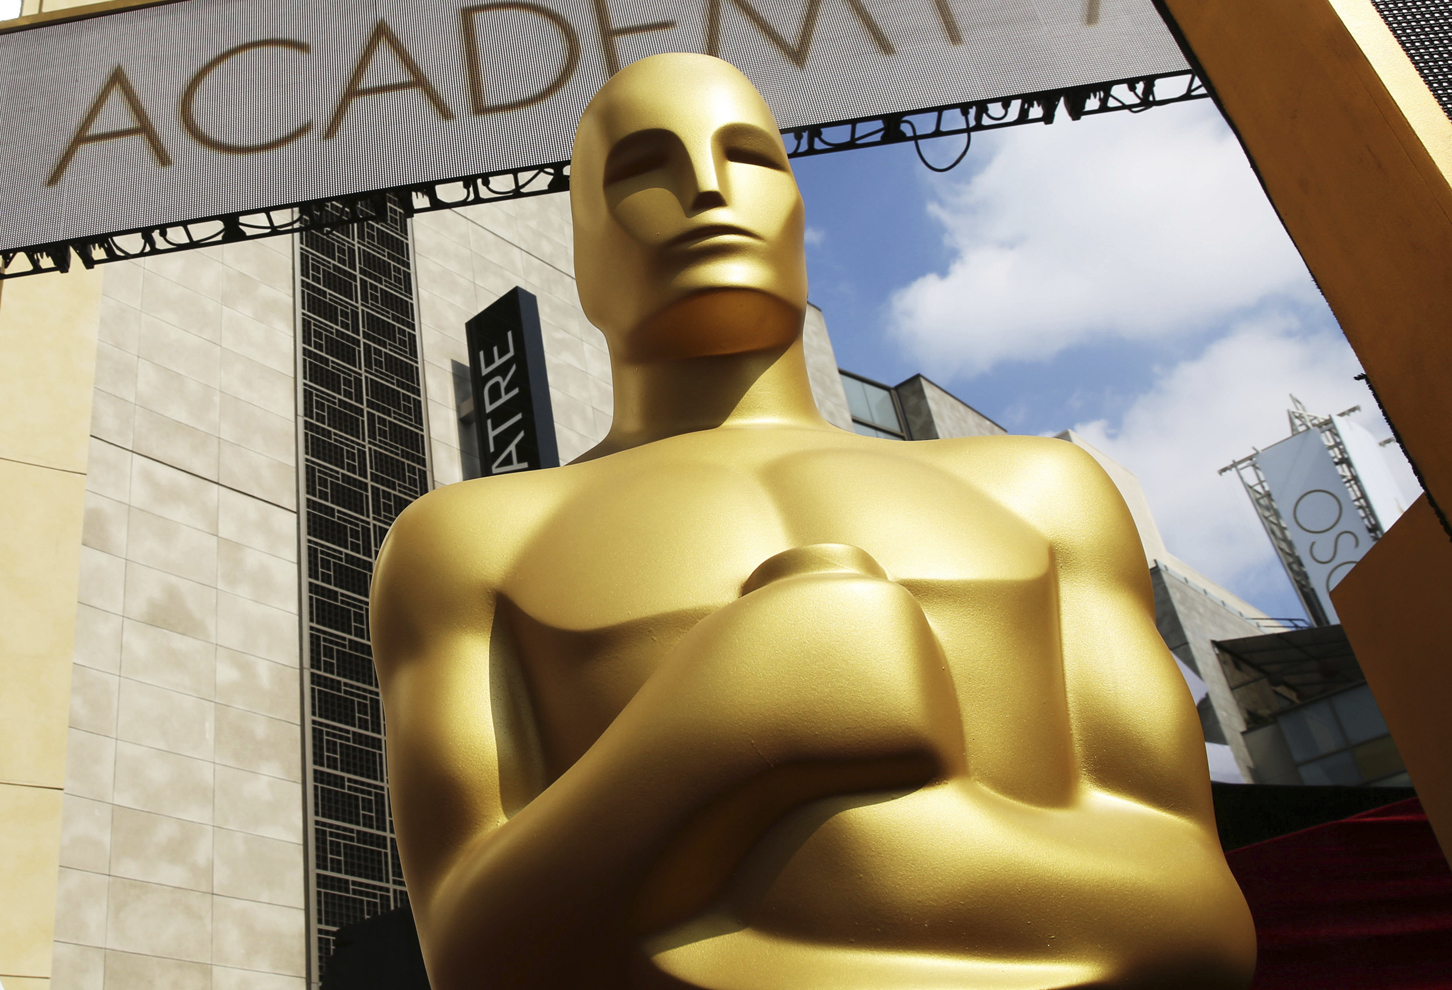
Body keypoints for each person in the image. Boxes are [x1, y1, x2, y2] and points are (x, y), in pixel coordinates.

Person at [370, 52, 1256, 990]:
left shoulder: (1041, 492)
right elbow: (474, 953)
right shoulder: (471, 543)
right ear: (583, 253)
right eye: (643, 170)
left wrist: (815, 865)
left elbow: (1200, 917)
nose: (707, 190)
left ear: (800, 214)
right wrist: (724, 717)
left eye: (748, 157)